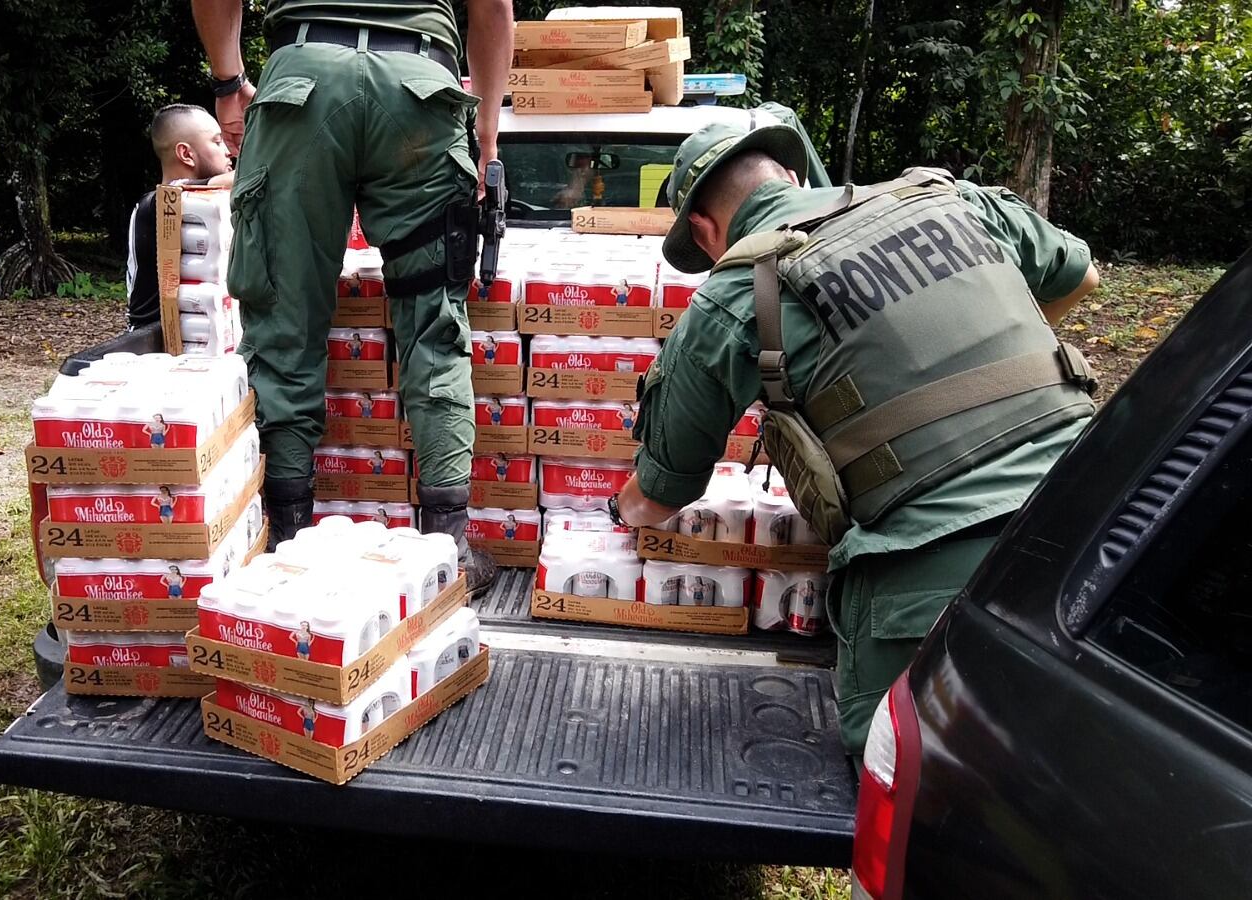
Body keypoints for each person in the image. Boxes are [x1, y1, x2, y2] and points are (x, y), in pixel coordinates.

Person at [607, 115, 1101, 755]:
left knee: (915, 774)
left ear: (702, 230)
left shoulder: (736, 293)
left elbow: (660, 496)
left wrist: (613, 510)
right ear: (792, 174)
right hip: (1102, 508)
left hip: (938, 569)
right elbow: (1080, 275)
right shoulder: (950, 198)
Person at [189, 0, 514, 597]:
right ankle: (450, 547)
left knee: (285, 319)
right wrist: (486, 135)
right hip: (419, 91)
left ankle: (285, 546)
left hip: (302, 88)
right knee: (433, 321)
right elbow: (492, 8)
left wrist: (230, 81)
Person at [124, 104, 236, 330]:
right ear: (186, 154)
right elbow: (248, 179)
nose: (228, 151)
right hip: (151, 343)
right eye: (217, 141)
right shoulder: (161, 203)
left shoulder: (204, 205)